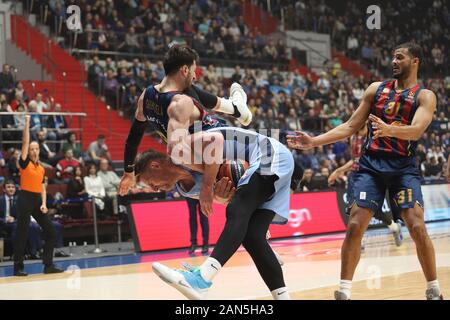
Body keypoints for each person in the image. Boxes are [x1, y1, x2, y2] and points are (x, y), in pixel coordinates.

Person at [287, 42, 442, 300]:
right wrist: (314, 141)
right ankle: (344, 291)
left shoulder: (424, 96)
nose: (393, 61)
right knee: (355, 224)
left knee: (416, 225)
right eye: (392, 57)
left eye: (400, 57)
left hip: (403, 168)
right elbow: (349, 126)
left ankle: (433, 288)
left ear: (415, 62)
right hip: (370, 166)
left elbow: (416, 131)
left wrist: (389, 129)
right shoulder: (375, 90)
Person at [145, 125, 294, 300]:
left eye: (149, 181)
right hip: (270, 167)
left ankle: (202, 278)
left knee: (238, 209)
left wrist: (209, 188)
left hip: (267, 152)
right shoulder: (186, 189)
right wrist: (225, 197)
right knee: (253, 237)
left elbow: (217, 140)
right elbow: (230, 199)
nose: (154, 189)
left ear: (154, 166)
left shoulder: (180, 149)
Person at [118, 44, 253, 216]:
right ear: (184, 70)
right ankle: (235, 107)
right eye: (193, 70)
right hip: (205, 147)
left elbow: (133, 137)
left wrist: (128, 171)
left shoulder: (147, 96)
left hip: (223, 141)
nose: (195, 76)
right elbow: (135, 137)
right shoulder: (177, 100)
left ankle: (235, 108)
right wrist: (129, 173)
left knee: (179, 151)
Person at [328, 123, 403, 247]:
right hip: (354, 175)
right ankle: (359, 239)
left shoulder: (373, 137)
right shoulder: (353, 138)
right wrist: (338, 171)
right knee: (353, 208)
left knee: (371, 208)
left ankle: (394, 227)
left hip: (369, 176)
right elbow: (354, 160)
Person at [12, 115, 63, 276]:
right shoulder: (24, 163)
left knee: (51, 231)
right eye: (32, 148)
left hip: (36, 201)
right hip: (25, 198)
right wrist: (27, 123)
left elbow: (42, 186)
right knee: (22, 232)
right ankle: (18, 267)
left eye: (36, 148)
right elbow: (25, 142)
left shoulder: (40, 168)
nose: (33, 150)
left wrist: (44, 203)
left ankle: (48, 265)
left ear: (39, 151)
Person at [0, 179, 42, 260]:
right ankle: (17, 254)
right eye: (8, 187)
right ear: (4, 189)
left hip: (16, 222)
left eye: (12, 187)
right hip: (3, 224)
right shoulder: (0, 200)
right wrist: (5, 219)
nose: (11, 189)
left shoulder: (18, 200)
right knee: (18, 226)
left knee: (33, 226)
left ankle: (34, 252)